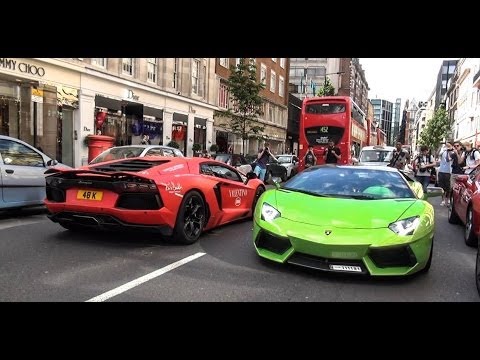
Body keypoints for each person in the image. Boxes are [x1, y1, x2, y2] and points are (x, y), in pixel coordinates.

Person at [437, 141, 454, 206]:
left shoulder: (452, 152)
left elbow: (448, 159)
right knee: (442, 187)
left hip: (449, 171)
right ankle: (443, 200)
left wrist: (449, 151)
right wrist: (440, 146)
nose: (447, 147)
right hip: (442, 171)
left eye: (449, 146)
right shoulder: (443, 150)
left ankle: (448, 199)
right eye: (447, 145)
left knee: (449, 187)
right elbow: (438, 154)